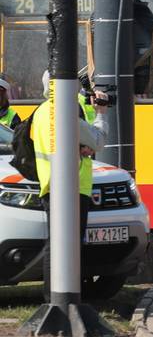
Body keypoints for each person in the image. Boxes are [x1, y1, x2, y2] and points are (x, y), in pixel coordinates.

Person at [31, 71, 104, 298]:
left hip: (50, 184)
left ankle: (56, 296)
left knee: (57, 245)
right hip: (73, 185)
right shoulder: (65, 111)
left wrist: (80, 145)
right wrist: (101, 113)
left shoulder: (42, 111)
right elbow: (99, 140)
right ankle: (63, 298)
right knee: (68, 246)